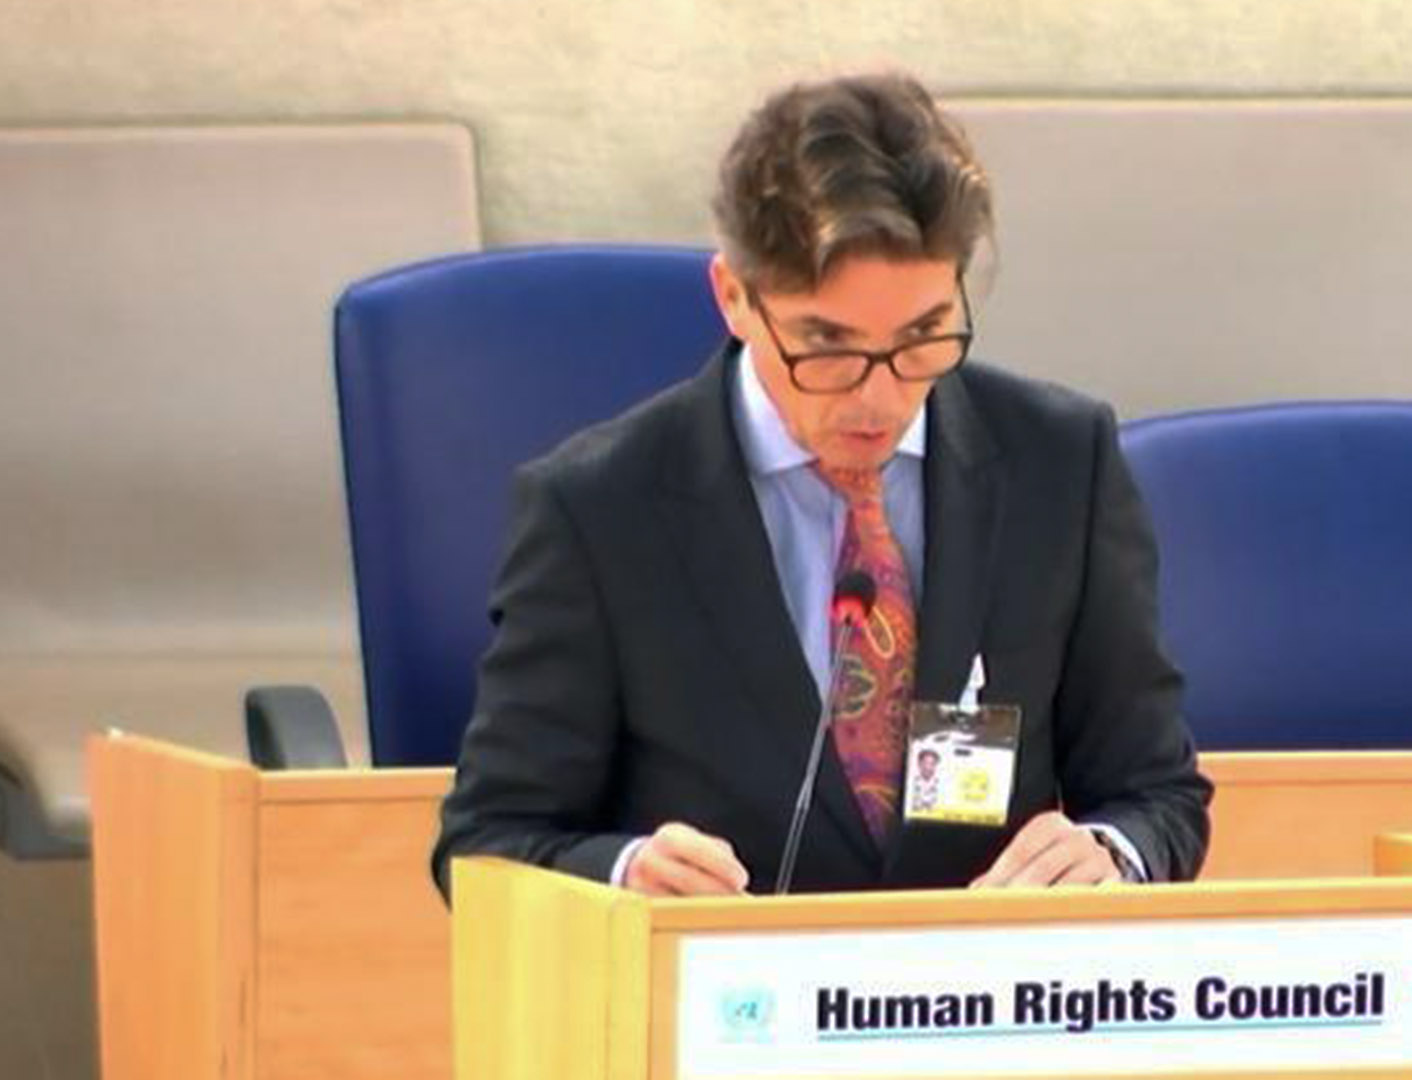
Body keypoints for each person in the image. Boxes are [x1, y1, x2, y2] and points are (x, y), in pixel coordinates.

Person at [431, 71, 1211, 899]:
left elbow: (1155, 795)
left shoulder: (1060, 465)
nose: (879, 397)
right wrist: (625, 878)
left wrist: (1110, 852)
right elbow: (488, 842)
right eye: (828, 346)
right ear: (734, 297)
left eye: (923, 336)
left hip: (982, 973)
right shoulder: (598, 509)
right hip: (717, 974)